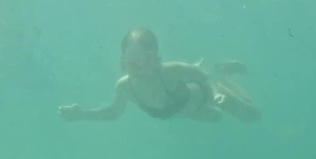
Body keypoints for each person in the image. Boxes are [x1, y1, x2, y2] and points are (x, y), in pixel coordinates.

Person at [58, 28, 260, 123]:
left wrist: (215, 92)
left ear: (156, 59)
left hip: (204, 95)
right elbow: (113, 113)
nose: (139, 66)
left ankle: (224, 73)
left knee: (251, 114)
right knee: (216, 119)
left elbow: (201, 75)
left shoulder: (168, 71)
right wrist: (83, 114)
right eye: (132, 60)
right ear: (123, 61)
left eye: (145, 59)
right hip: (188, 113)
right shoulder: (125, 87)